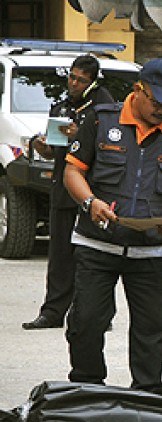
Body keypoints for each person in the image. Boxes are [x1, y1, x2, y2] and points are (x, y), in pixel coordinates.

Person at [62, 58, 162, 395]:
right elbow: (73, 171)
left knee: (153, 328)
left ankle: (147, 396)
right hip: (98, 244)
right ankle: (87, 388)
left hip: (151, 249)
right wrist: (90, 203)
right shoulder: (101, 118)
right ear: (139, 90)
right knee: (87, 322)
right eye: (158, 102)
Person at [22, 55, 114, 330]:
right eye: (71, 77)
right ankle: (53, 312)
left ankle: (97, 314)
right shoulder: (63, 105)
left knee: (93, 255)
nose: (73, 83)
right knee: (60, 253)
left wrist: (80, 134)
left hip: (93, 191)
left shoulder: (104, 106)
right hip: (64, 189)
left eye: (80, 80)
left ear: (93, 81)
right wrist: (44, 147)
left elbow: (109, 146)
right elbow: (55, 149)